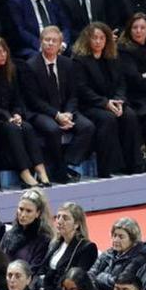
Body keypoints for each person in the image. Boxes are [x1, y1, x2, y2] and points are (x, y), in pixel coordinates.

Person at [22, 24, 95, 185]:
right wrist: (57, 115)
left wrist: (68, 113)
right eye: (46, 40)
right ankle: (60, 170)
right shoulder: (31, 65)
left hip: (65, 110)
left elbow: (73, 94)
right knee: (53, 129)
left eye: (54, 41)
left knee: (87, 126)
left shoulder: (67, 64)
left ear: (60, 44)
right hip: (41, 112)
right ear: (40, 42)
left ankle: (64, 164)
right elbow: (34, 100)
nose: (50, 43)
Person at [0, 35, 50, 189]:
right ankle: (24, 172)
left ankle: (40, 169)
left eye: (5, 51)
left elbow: (17, 98)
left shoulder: (10, 70)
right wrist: (7, 117)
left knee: (27, 127)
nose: (3, 55)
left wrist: (16, 113)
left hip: (10, 115)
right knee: (13, 130)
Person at [73, 19, 145, 177]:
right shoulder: (79, 60)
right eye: (94, 38)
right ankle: (106, 169)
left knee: (130, 116)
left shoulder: (113, 57)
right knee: (107, 119)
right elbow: (82, 89)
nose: (98, 41)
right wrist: (105, 103)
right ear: (87, 39)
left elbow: (121, 83)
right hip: (91, 105)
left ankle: (134, 165)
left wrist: (119, 101)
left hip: (114, 101)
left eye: (102, 38)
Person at [7, 0, 71, 61]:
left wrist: (62, 43)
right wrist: (43, 46)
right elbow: (20, 31)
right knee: (38, 59)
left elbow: (65, 25)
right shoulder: (16, 1)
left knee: (76, 53)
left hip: (55, 43)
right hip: (33, 46)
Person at [93, 216, 146, 290]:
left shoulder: (139, 257)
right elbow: (91, 274)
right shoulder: (108, 253)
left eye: (121, 237)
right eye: (114, 235)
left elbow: (120, 283)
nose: (116, 240)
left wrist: (101, 277)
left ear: (133, 240)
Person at [0, 188, 53, 272]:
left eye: (28, 211)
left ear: (37, 213)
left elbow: (34, 270)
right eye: (21, 209)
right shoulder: (8, 235)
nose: (23, 215)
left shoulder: (44, 240)